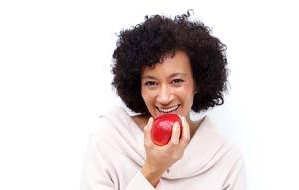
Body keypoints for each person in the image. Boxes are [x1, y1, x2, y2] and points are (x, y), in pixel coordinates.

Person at [83, 11, 246, 190]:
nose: (164, 98)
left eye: (176, 81)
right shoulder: (109, 139)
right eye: (151, 83)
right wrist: (153, 169)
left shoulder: (226, 158)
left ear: (197, 83)